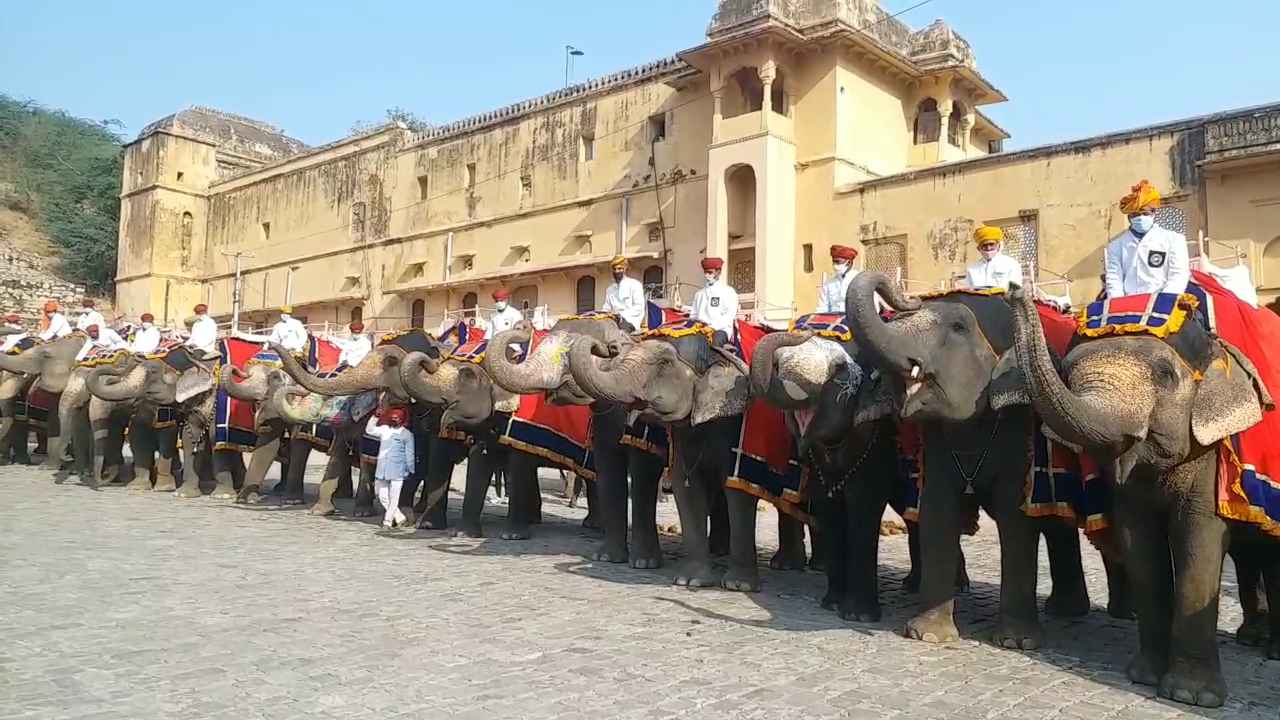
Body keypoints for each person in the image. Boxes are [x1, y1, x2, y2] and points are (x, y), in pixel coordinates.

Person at [1104, 180, 1190, 299]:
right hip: (1127, 305)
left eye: (1145, 213)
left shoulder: (1174, 239)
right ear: (1129, 218)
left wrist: (1164, 301)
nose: (1140, 218)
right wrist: (1117, 304)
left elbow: (1178, 275)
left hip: (1162, 302)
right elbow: (1114, 278)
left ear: (1153, 214)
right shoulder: (1116, 246)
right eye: (1135, 215)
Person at [365, 406, 415, 529]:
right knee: (381, 496)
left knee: (394, 498)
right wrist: (375, 417)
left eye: (396, 418)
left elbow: (410, 453)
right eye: (391, 418)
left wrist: (410, 469)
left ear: (401, 420)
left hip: (398, 470)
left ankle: (387, 522)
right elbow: (369, 430)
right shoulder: (384, 430)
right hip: (382, 469)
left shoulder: (407, 435)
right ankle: (399, 517)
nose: (393, 420)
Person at [688, 257, 739, 346]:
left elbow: (728, 316)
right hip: (700, 330)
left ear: (718, 272)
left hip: (720, 330)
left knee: (714, 345)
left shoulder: (728, 291)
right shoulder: (699, 294)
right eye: (705, 272)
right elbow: (693, 315)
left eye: (710, 272)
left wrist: (711, 327)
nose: (707, 275)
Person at [965, 226, 1024, 290]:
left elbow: (1016, 291)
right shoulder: (972, 268)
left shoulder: (1011, 264)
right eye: (984, 245)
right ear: (978, 248)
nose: (988, 248)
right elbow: (968, 291)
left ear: (998, 246)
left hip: (1004, 299)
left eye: (991, 244)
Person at [239, 305, 309, 354]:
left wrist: (295, 346)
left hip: (296, 350)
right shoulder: (278, 326)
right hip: (283, 350)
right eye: (283, 313)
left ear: (289, 314)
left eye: (287, 313)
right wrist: (266, 347)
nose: (284, 315)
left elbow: (303, 337)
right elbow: (274, 339)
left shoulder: (296, 323)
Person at [602, 255, 646, 331]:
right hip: (613, 322)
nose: (617, 271)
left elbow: (638, 308)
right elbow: (606, 309)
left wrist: (620, 315)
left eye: (619, 269)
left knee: (617, 334)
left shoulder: (635, 285)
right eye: (614, 269)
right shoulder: (609, 290)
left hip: (630, 321)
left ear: (625, 269)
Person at [815, 245, 861, 313]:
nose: (834, 265)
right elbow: (822, 308)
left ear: (849, 263)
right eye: (833, 262)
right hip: (832, 320)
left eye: (838, 262)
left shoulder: (860, 280)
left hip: (854, 321)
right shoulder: (828, 284)